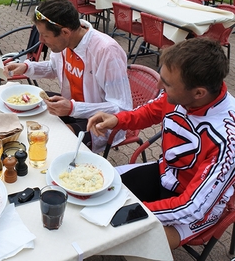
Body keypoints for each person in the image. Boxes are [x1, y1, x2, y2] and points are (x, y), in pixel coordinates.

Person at [87, 37, 235, 249]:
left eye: (167, 83)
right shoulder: (181, 94)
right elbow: (150, 111)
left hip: (199, 206)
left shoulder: (228, 140)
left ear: (199, 93)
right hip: (167, 173)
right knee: (97, 189)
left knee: (138, 241)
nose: (158, 85)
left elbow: (193, 207)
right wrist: (118, 120)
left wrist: (133, 212)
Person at [3, 0, 132, 152]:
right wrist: (26, 67)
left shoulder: (106, 51)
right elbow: (54, 67)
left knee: (52, 142)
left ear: (65, 32)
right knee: (24, 112)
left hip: (100, 122)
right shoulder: (65, 42)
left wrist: (72, 108)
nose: (41, 41)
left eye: (45, 35)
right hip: (71, 107)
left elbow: (121, 108)